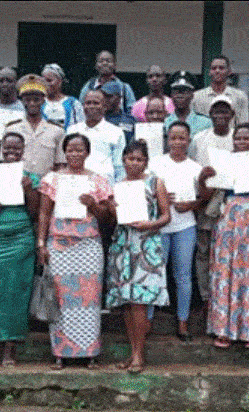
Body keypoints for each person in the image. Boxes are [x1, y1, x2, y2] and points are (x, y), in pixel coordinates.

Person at [36, 133, 114, 370]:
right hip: (59, 245)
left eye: (80, 150)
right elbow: (44, 213)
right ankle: (61, 353)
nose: (75, 154)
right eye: (70, 150)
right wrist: (41, 243)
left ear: (87, 153)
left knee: (88, 300)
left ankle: (89, 353)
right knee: (60, 298)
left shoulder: (98, 181)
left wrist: (93, 205)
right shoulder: (53, 179)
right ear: (64, 152)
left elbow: (107, 218)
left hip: (88, 245)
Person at [0, 132, 41, 368]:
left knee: (16, 294)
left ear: (24, 151)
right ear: (1, 150)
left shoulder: (30, 178)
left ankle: (10, 348)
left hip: (21, 239)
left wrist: (29, 190)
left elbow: (34, 213)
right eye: (8, 150)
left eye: (17, 150)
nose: (12, 154)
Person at [107, 140, 171, 374]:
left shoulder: (155, 183)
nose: (134, 163)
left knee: (141, 302)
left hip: (146, 245)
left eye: (139, 159)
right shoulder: (117, 185)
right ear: (123, 159)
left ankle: (138, 355)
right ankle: (132, 352)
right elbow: (115, 219)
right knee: (126, 302)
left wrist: (149, 224)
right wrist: (113, 209)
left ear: (146, 162)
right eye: (130, 158)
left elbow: (166, 217)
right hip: (123, 245)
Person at [208, 124, 249, 349]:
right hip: (230, 214)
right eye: (238, 139)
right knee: (227, 269)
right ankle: (224, 329)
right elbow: (213, 188)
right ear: (233, 141)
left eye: (247, 138)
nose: (242, 142)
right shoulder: (225, 161)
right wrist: (210, 175)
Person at [148, 121, 215, 341]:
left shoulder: (195, 167)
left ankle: (183, 321)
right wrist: (160, 199)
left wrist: (190, 205)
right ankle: (147, 320)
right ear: (167, 139)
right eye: (173, 137)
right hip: (159, 226)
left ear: (188, 141)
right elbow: (144, 191)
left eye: (182, 138)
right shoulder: (156, 163)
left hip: (185, 226)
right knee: (155, 273)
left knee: (183, 276)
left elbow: (205, 198)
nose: (177, 142)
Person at [189, 95, 235, 308]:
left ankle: (225, 295)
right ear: (210, 115)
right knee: (204, 250)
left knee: (226, 250)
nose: (220, 116)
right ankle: (206, 296)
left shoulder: (238, 138)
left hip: (230, 201)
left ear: (232, 115)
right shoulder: (199, 138)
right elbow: (191, 168)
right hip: (206, 200)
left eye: (225, 111)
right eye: (216, 112)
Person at [5, 74, 65, 178]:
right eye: (28, 100)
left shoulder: (57, 130)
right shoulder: (11, 129)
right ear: (22, 101)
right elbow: (4, 162)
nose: (32, 103)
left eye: (36, 99)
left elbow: (60, 165)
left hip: (45, 186)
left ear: (43, 100)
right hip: (18, 183)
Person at [67, 90, 127, 184]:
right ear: (83, 106)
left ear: (105, 107)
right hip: (76, 183)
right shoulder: (72, 130)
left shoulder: (116, 132)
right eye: (88, 103)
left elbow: (119, 166)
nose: (91, 106)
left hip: (105, 186)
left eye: (96, 103)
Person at [191, 55, 249, 125]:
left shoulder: (240, 96)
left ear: (229, 71)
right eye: (213, 68)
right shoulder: (196, 97)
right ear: (209, 72)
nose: (217, 71)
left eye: (221, 68)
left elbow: (244, 123)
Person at [79, 50, 136, 115]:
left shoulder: (124, 87)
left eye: (108, 61)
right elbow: (81, 109)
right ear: (96, 66)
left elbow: (131, 111)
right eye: (101, 61)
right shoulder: (89, 86)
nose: (104, 63)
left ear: (115, 65)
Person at [164, 71, 211, 139]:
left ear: (192, 95)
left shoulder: (206, 123)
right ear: (171, 95)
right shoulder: (164, 122)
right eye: (176, 92)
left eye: (184, 92)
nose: (180, 96)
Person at [41, 63, 84, 130]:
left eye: (49, 80)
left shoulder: (73, 103)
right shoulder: (39, 102)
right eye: (44, 81)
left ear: (60, 81)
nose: (46, 84)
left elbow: (80, 126)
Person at [101, 81, 135, 145]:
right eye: (103, 96)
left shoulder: (130, 120)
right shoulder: (97, 120)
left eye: (109, 96)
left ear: (119, 98)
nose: (105, 99)